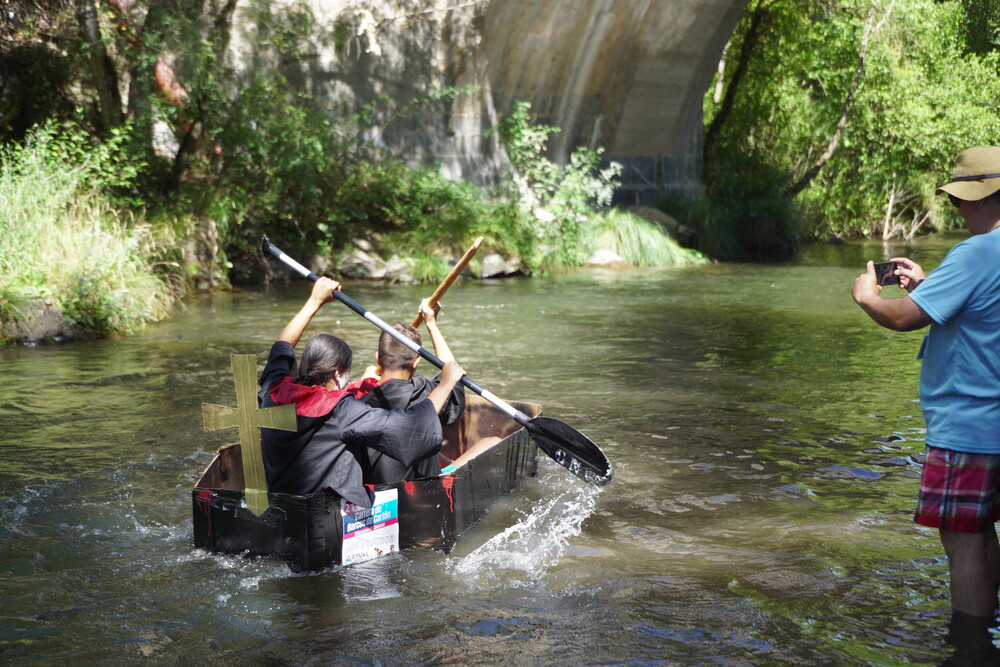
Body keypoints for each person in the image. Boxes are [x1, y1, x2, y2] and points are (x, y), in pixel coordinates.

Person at [851, 146, 1000, 659]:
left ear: (983, 199)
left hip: (970, 425)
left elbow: (901, 318)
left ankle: (972, 648)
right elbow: (984, 310)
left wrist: (869, 295)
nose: (960, 211)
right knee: (981, 534)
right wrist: (930, 285)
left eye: (963, 200)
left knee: (964, 538)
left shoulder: (978, 252)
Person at [257, 277, 466, 509]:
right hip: (326, 519)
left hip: (281, 507)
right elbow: (410, 431)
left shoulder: (273, 390)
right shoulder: (341, 409)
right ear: (338, 374)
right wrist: (446, 383)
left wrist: (314, 302)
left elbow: (282, 346)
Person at [359, 299, 466, 483]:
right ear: (416, 362)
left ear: (378, 358)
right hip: (415, 489)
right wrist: (431, 324)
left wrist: (365, 380)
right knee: (492, 441)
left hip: (372, 484)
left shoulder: (357, 392)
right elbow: (454, 385)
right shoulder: (420, 392)